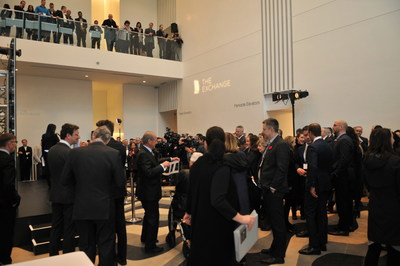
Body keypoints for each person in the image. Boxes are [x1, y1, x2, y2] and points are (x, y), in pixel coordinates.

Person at [184, 126, 255, 265]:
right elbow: (218, 200)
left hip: (200, 222)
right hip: (219, 224)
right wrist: (242, 218)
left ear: (206, 143)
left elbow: (192, 191)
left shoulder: (197, 164)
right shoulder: (223, 165)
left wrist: (189, 212)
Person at [60, 126, 125, 265]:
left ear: (94, 136)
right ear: (107, 140)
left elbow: (64, 180)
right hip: (105, 207)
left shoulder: (75, 153)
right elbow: (120, 183)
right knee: (106, 245)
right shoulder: (113, 153)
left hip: (82, 207)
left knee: (86, 245)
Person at [136, 131, 179, 253]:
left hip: (148, 191)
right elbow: (149, 172)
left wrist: (170, 159)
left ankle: (146, 238)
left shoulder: (147, 152)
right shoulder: (143, 154)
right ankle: (150, 246)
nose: (156, 142)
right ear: (149, 141)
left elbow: (156, 161)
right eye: (155, 140)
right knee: (153, 218)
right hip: (148, 192)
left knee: (149, 215)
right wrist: (162, 167)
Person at [363, 128, 400, 265]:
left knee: (374, 246)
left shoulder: (367, 159)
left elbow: (366, 184)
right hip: (393, 207)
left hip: (375, 205)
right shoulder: (395, 161)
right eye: (391, 137)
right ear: (387, 140)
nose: (393, 139)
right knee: (395, 247)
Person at [298, 123, 333, 255]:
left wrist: (312, 186)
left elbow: (313, 168)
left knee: (311, 214)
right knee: (322, 213)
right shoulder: (327, 145)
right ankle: (322, 241)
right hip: (325, 183)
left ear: (312, 133)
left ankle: (314, 246)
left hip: (316, 185)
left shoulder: (313, 147)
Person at [96, 119, 127, 265]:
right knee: (120, 226)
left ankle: (110, 256)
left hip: (104, 193)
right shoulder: (120, 147)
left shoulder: (102, 148)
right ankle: (122, 256)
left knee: (107, 228)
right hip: (118, 192)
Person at [259, 118, 290, 265]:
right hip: (268, 189)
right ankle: (274, 248)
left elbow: (282, 168)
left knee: (278, 223)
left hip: (274, 190)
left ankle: (279, 255)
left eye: (264, 129)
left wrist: (273, 187)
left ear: (271, 129)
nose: (262, 131)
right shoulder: (273, 143)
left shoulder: (281, 144)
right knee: (273, 221)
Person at [48, 123, 80, 256]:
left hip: (55, 194)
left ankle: (53, 255)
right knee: (69, 229)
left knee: (56, 227)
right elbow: (74, 175)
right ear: (68, 135)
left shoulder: (52, 150)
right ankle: (68, 256)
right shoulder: (69, 153)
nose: (78, 137)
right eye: (76, 134)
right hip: (69, 196)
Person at [329, 120, 354, 236]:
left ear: (341, 127)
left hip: (343, 176)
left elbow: (344, 160)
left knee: (343, 202)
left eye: (334, 125)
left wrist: (335, 172)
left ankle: (344, 228)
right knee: (343, 202)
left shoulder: (344, 140)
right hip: (343, 175)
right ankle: (346, 224)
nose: (333, 127)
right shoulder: (342, 139)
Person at [0, 133, 20, 265]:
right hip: (4, 204)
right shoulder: (7, 160)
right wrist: (14, 200)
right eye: (15, 142)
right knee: (6, 233)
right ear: (9, 144)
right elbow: (8, 184)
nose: (16, 144)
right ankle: (5, 260)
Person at [283, 136, 297, 234]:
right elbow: (288, 170)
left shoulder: (288, 151)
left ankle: (286, 222)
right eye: (294, 142)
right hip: (287, 183)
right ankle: (285, 224)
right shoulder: (288, 152)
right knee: (286, 205)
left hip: (288, 182)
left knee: (287, 205)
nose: (295, 144)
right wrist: (289, 184)